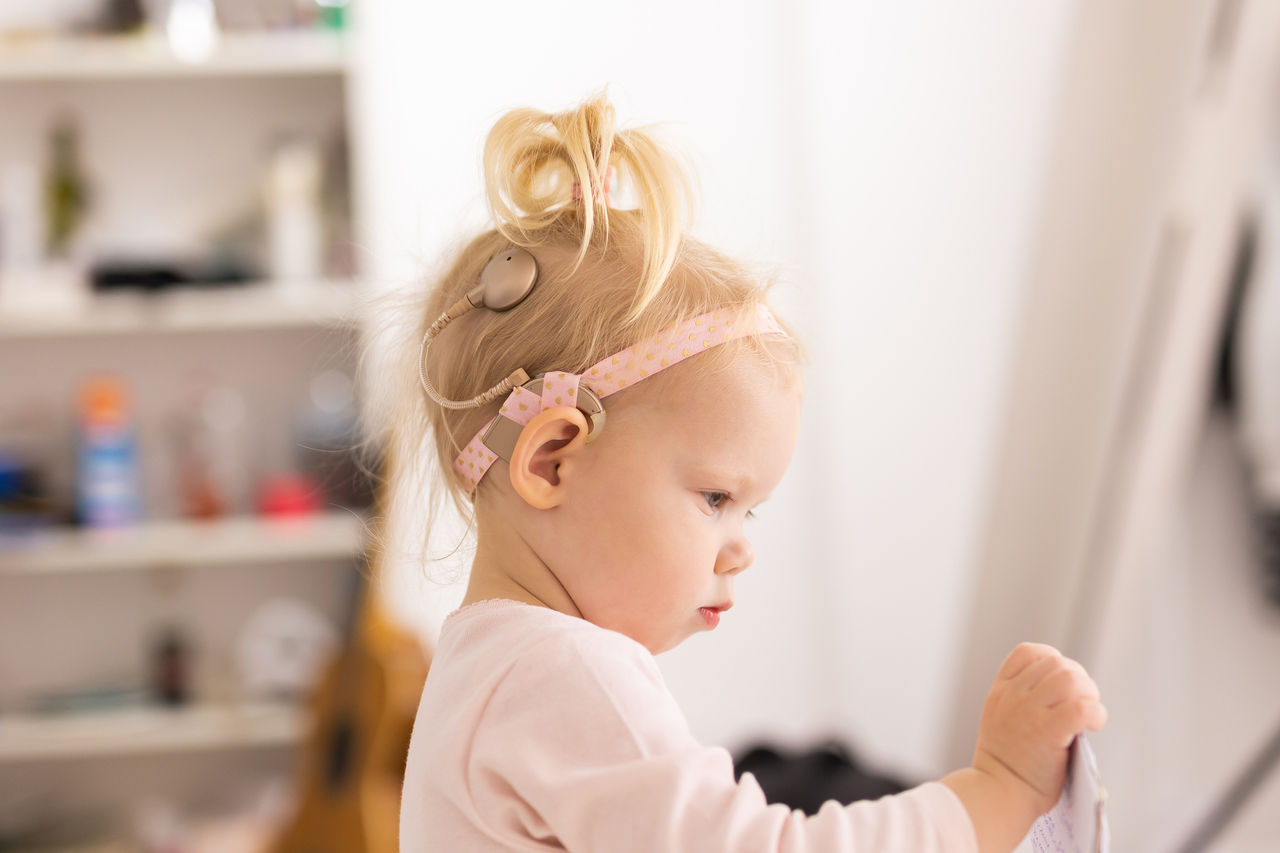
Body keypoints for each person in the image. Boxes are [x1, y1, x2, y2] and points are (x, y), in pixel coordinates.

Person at [389, 91, 1107, 852]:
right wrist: (995, 790)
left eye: (748, 510)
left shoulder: (488, 670)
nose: (741, 548)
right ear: (552, 459)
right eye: (716, 496)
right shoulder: (562, 671)